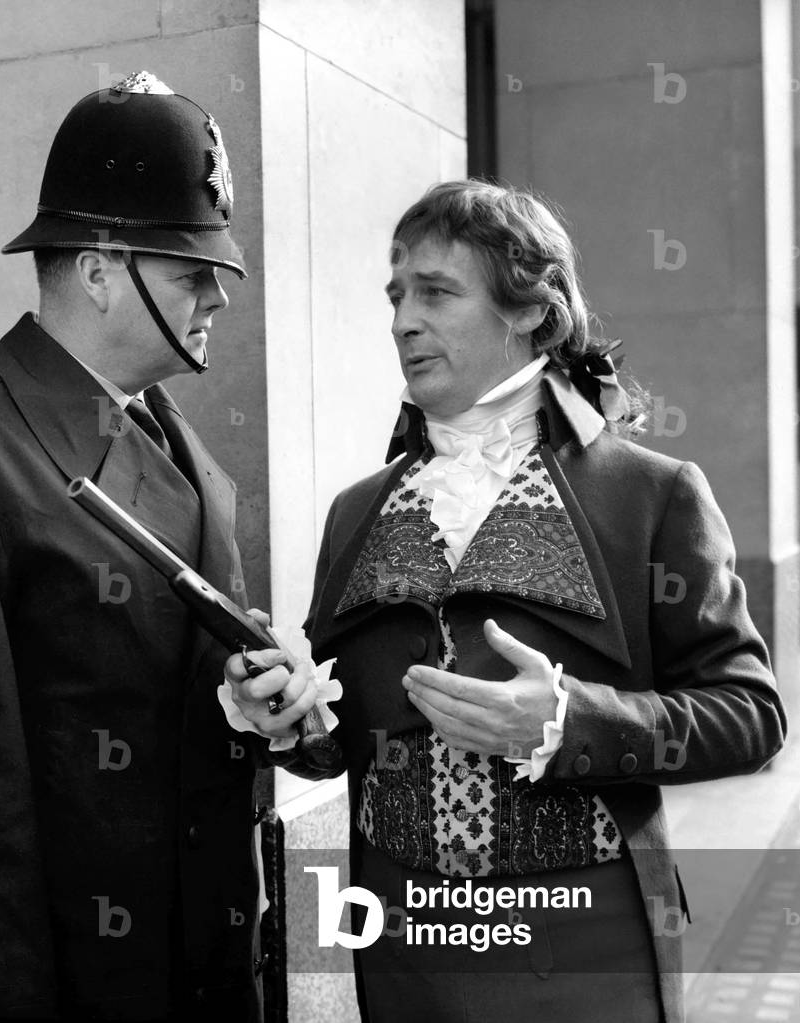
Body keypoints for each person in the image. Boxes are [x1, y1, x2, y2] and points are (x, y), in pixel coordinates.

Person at [226, 180, 787, 1023]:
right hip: (402, 946)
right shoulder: (355, 510)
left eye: (435, 292)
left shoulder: (652, 494)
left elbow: (750, 714)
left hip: (584, 945)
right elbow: (334, 738)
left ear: (531, 310)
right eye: (396, 296)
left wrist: (566, 721)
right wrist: (283, 714)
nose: (402, 320)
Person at [0, 71, 267, 1019]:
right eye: (192, 271)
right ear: (101, 267)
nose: (218, 297)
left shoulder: (187, 461)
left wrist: (245, 706)